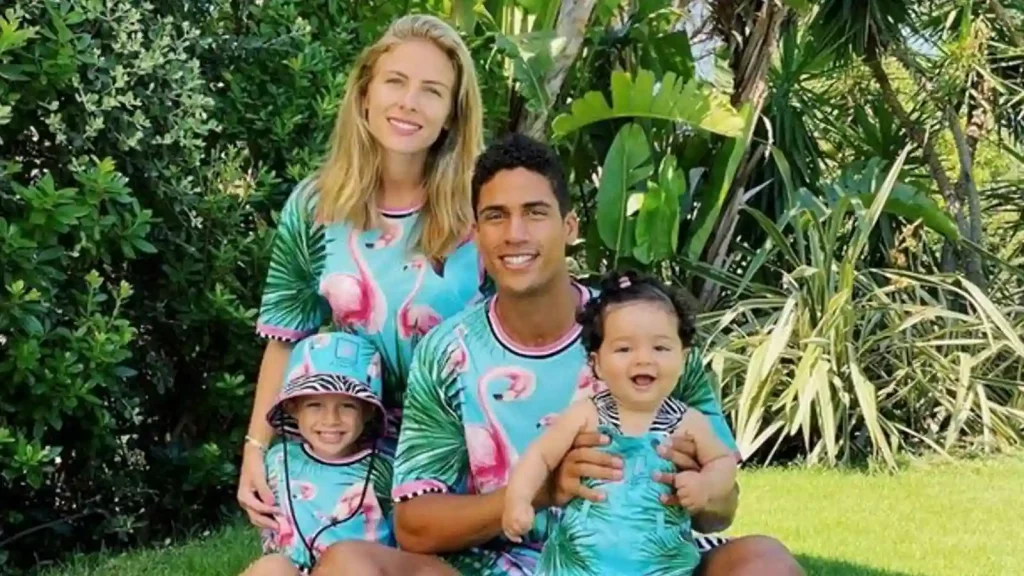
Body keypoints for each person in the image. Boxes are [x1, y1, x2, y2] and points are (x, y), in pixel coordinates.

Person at [314, 133, 804, 575]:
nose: (515, 234)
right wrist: (544, 489)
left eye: (535, 212)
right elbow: (417, 525)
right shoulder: (449, 353)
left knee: (765, 562)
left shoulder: (646, 336)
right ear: (477, 235)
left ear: (569, 226)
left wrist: (697, 484)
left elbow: (723, 507)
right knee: (348, 565)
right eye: (495, 217)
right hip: (507, 565)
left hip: (647, 562)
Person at [238, 13, 486, 539]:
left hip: (453, 446)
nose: (409, 103)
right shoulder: (313, 206)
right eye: (396, 82)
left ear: (451, 116)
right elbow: (286, 336)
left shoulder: (481, 210)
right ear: (366, 94)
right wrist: (255, 449)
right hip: (344, 439)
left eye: (432, 91)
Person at [501, 270, 739, 574]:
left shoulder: (687, 423)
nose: (644, 359)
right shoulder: (585, 414)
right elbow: (540, 456)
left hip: (660, 563)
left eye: (661, 348)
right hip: (581, 563)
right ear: (596, 363)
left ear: (683, 358)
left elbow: (723, 462)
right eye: (625, 349)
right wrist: (519, 499)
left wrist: (706, 485)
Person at [241, 332, 454, 575]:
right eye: (315, 405)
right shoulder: (277, 461)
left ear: (367, 412)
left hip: (356, 567)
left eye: (347, 406)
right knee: (270, 568)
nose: (331, 420)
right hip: (293, 569)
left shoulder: (386, 467)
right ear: (293, 407)